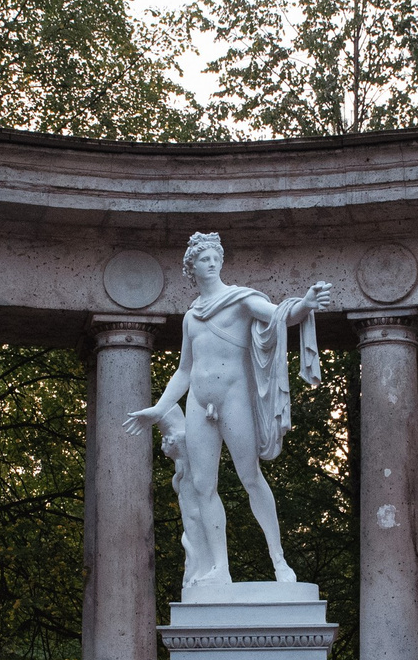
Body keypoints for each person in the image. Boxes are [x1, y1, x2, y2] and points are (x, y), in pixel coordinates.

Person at [126, 233, 333, 590]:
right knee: (203, 485)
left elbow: (279, 316)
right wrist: (160, 409)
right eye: (203, 259)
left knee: (250, 477)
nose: (211, 263)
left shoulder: (240, 299)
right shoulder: (191, 317)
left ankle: (279, 560)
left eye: (215, 258)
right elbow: (184, 370)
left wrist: (305, 304)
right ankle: (220, 568)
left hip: (233, 398)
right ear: (191, 267)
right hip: (198, 403)